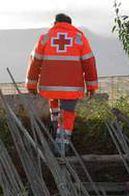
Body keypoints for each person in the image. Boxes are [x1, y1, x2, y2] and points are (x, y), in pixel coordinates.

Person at [26, 13, 98, 156]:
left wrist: (31, 85)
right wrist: (91, 86)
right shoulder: (79, 39)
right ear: (70, 24)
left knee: (55, 102)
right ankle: (62, 146)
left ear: (55, 23)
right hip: (72, 86)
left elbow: (34, 62)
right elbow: (89, 63)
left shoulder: (45, 38)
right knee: (68, 113)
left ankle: (54, 128)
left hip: (50, 86)